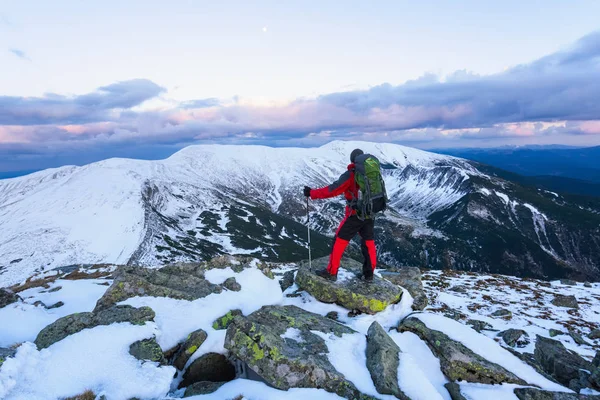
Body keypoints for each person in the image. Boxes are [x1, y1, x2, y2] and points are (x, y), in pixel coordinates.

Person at [303, 148, 377, 282]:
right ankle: (369, 274)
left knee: (339, 241)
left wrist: (312, 193)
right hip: (370, 213)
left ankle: (331, 272)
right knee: (368, 242)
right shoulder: (372, 173)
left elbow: (333, 190)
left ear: (352, 160)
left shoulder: (351, 175)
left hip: (355, 214)